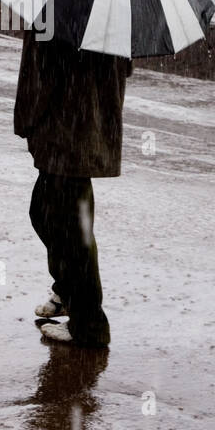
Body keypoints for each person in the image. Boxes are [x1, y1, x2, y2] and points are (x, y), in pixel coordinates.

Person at [14, 29, 132, 348]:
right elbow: (125, 65)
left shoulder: (57, 7)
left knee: (71, 232)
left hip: (66, 131)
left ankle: (88, 325)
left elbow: (41, 74)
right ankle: (69, 292)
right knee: (44, 213)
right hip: (85, 125)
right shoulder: (109, 9)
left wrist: (26, 121)